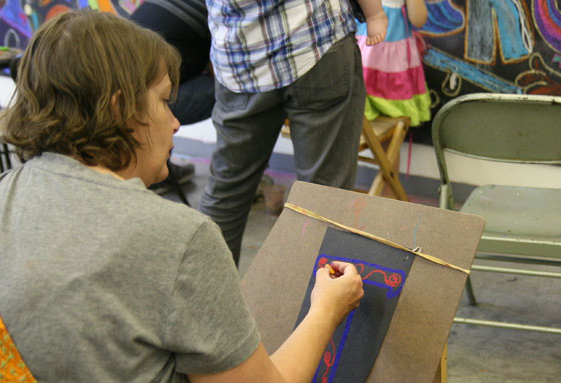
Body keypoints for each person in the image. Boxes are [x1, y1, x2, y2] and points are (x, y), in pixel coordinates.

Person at [0, 10, 421, 383]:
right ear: (120, 109)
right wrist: (325, 311)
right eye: (163, 101)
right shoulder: (173, 236)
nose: (176, 122)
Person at [201, 0, 366, 266]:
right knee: (324, 195)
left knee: (228, 191)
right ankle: (320, 304)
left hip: (240, 53)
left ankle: (208, 305)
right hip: (313, 37)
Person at [129, 0, 214, 191]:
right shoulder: (218, 12)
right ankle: (232, 178)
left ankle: (157, 167)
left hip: (122, 101)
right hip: (137, 106)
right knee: (232, 91)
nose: (175, 125)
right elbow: (222, 72)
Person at [356, 0, 431, 126]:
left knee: (390, 122)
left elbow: (418, 20)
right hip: (364, 54)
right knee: (360, 117)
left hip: (393, 64)